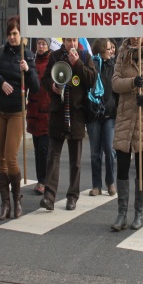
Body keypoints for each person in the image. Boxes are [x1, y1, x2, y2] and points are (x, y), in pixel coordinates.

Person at [0, 16, 39, 220]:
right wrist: (0, 82)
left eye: (15, 33)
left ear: (21, 34)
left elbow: (36, 87)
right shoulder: (1, 51)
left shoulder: (28, 55)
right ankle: (5, 203)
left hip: (16, 111)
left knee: (11, 157)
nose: (12, 37)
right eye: (9, 34)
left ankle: (17, 199)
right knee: (0, 159)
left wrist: (28, 70)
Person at [110, 37, 143, 230]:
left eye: (138, 34)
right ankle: (121, 214)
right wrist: (132, 82)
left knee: (141, 168)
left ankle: (138, 213)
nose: (135, 37)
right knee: (122, 166)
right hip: (125, 117)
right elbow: (115, 83)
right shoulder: (122, 53)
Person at [40, 38, 97, 211]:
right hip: (58, 113)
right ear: (63, 41)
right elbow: (45, 79)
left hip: (77, 114)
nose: (72, 44)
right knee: (53, 157)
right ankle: (49, 196)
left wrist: (77, 63)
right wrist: (53, 87)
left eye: (74, 40)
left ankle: (72, 196)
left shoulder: (85, 56)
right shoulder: (54, 57)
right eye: (68, 40)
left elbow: (92, 79)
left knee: (75, 160)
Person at [87, 38, 118, 197]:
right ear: (100, 50)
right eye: (108, 48)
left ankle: (110, 182)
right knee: (95, 153)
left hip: (110, 114)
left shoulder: (115, 67)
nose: (112, 50)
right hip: (93, 114)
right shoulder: (91, 65)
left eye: (112, 48)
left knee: (109, 150)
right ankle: (96, 185)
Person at [26, 38, 52, 195]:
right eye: (39, 44)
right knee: (37, 148)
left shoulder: (52, 62)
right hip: (33, 109)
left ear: (48, 46)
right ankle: (40, 179)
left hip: (46, 110)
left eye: (43, 44)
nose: (41, 47)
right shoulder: (32, 61)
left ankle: (45, 180)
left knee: (44, 148)